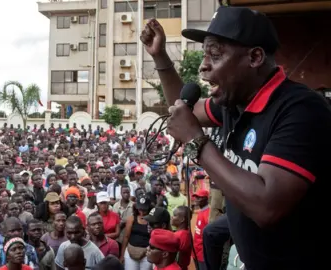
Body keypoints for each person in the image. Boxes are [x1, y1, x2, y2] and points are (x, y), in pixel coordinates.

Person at [141, 5, 329, 269]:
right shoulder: (234, 101)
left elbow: (267, 206)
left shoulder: (302, 110)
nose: (204, 66)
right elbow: (183, 107)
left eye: (215, 55)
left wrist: (197, 142)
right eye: (205, 54)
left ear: (254, 57)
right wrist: (160, 57)